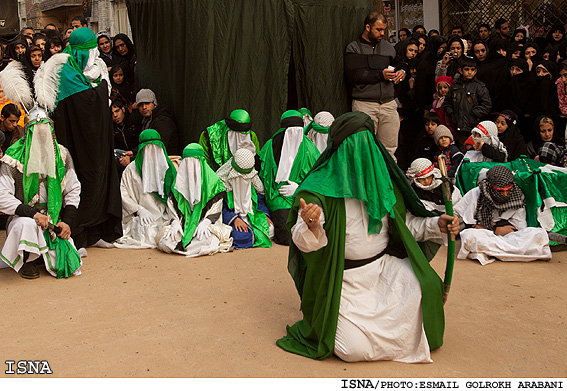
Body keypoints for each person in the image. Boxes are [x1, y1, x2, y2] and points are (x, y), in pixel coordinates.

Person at [276, 111, 459, 362]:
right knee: (353, 349)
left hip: (383, 269)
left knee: (425, 288)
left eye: (366, 144)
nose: (361, 153)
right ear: (339, 148)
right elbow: (303, 243)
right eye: (354, 146)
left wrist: (436, 224)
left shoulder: (382, 181)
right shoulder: (319, 189)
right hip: (343, 280)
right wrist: (312, 225)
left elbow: (404, 225)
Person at [52, 27, 123, 250]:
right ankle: (78, 236)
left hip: (98, 142)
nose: (96, 54)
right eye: (92, 49)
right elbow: (88, 103)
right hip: (77, 145)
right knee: (81, 184)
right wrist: (102, 87)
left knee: (101, 179)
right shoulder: (66, 74)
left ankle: (96, 233)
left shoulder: (87, 70)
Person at [0, 105, 82, 278]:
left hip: (52, 220)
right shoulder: (13, 156)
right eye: (37, 129)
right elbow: (2, 196)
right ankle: (27, 261)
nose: (42, 133)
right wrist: (32, 213)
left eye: (45, 128)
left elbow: (73, 189)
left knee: (70, 266)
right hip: (23, 218)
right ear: (28, 131)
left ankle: (41, 253)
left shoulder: (61, 153)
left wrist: (66, 221)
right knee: (26, 224)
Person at [454, 165, 551, 265]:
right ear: (491, 187)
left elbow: (520, 229)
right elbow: (459, 214)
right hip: (483, 235)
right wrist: (493, 230)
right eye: (500, 191)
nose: (505, 194)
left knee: (536, 233)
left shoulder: (517, 197)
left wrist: (498, 230)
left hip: (507, 237)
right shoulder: (476, 193)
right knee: (469, 236)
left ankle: (495, 251)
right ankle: (507, 253)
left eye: (508, 190)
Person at [344, 11, 406, 158]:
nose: (382, 33)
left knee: (389, 150)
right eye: (378, 29)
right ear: (367, 27)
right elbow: (354, 75)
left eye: (384, 29)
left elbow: (400, 62)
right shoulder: (354, 48)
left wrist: (402, 71)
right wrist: (380, 75)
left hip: (388, 105)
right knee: (364, 150)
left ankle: (385, 180)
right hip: (364, 105)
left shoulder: (388, 47)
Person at [156, 143, 233, 256]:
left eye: (194, 162)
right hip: (183, 226)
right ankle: (188, 249)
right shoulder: (177, 184)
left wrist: (206, 222)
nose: (190, 167)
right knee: (166, 240)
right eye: (187, 162)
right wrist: (175, 223)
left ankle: (184, 249)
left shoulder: (214, 184)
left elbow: (216, 209)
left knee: (206, 239)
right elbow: (172, 208)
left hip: (205, 225)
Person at [258, 110, 320, 245]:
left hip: (304, 195)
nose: (294, 135)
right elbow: (265, 177)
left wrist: (299, 188)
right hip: (278, 196)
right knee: (286, 235)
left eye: (298, 131)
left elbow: (317, 179)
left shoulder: (310, 149)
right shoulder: (271, 146)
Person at [114, 129, 177, 249]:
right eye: (148, 148)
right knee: (147, 233)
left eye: (155, 148)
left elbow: (176, 195)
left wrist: (174, 216)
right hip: (141, 216)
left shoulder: (168, 168)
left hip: (167, 215)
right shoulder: (131, 169)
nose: (152, 152)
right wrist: (139, 210)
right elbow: (124, 193)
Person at [217, 148, 273, 249]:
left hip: (252, 215)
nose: (243, 178)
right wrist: (234, 219)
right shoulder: (223, 184)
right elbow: (221, 207)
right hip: (233, 217)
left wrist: (265, 215)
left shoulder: (253, 180)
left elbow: (259, 200)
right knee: (241, 237)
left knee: (271, 229)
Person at [445, 56, 492, 150]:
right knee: (462, 152)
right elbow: (447, 102)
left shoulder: (479, 87)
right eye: (467, 69)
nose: (469, 72)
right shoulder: (455, 86)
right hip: (458, 127)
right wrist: (452, 114)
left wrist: (474, 114)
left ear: (476, 71)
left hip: (474, 127)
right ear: (460, 70)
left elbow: (487, 105)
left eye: (472, 69)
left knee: (474, 151)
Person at [136, 89, 181, 156]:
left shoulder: (162, 121)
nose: (144, 107)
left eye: (147, 103)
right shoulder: (146, 121)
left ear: (155, 104)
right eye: (140, 105)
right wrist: (133, 152)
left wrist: (132, 158)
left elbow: (158, 150)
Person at [111, 99, 142, 175]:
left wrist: (133, 154)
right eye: (112, 113)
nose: (115, 115)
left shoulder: (135, 120)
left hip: (138, 153)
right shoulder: (113, 127)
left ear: (123, 109)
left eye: (117, 111)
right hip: (124, 155)